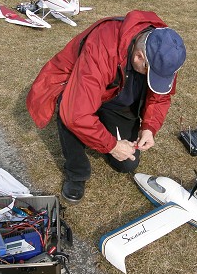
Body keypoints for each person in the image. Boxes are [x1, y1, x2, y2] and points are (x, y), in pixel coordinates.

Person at [26, 10, 186, 203]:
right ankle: (76, 172)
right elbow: (76, 114)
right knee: (70, 112)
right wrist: (111, 146)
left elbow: (160, 96)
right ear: (138, 57)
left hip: (118, 96)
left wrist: (149, 128)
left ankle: (100, 125)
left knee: (127, 164)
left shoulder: (166, 52)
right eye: (149, 72)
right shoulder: (102, 46)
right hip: (80, 89)